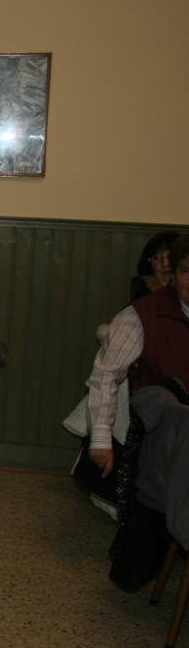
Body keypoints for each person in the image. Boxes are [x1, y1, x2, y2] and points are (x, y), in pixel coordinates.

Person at [87, 234, 189, 583]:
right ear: (173, 274)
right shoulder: (141, 315)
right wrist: (101, 439)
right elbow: (105, 376)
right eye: (187, 271)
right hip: (163, 436)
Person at [130, 230, 177, 300]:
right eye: (157, 258)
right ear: (149, 264)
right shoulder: (142, 292)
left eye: (171, 257)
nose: (165, 264)